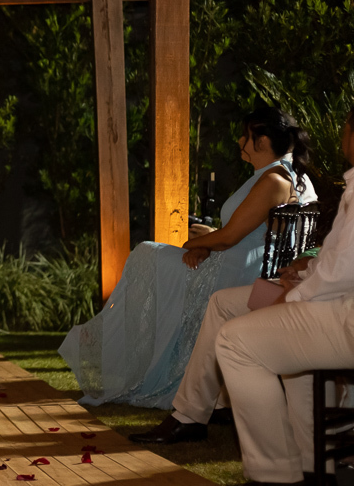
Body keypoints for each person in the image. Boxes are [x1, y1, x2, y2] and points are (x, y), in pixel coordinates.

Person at [129, 109, 354, 486]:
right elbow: (338, 260)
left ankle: (281, 478)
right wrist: (305, 268)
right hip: (310, 289)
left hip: (333, 305)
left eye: (346, 127)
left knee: (233, 339)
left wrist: (294, 293)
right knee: (222, 305)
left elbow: (337, 272)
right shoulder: (305, 179)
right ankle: (194, 417)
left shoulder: (276, 179)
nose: (341, 134)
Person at [61, 106, 316, 408]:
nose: (238, 142)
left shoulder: (274, 181)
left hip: (238, 273)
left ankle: (139, 357)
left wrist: (192, 243)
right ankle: (146, 355)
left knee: (147, 253)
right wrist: (209, 241)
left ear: (261, 142)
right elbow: (243, 232)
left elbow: (230, 237)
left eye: (244, 136)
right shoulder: (286, 175)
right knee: (152, 255)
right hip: (236, 261)